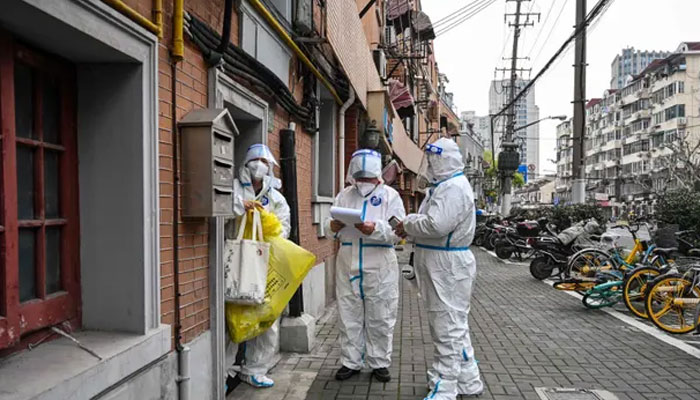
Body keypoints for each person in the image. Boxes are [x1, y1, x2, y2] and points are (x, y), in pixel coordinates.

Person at [394, 138, 484, 400]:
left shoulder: (452, 188)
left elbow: (436, 225)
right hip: (441, 263)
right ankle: (468, 381)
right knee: (455, 325)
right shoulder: (444, 187)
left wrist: (408, 223)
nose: (429, 166)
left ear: (442, 160)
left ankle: (444, 388)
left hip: (446, 266)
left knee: (447, 327)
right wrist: (411, 228)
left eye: (433, 160)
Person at [324, 149, 406, 383]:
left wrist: (375, 229)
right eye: (359, 178)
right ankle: (351, 361)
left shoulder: (390, 196)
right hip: (347, 258)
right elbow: (327, 229)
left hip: (379, 261)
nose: (363, 183)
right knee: (348, 313)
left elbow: (398, 231)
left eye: (368, 178)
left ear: (377, 176)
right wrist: (333, 227)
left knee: (381, 314)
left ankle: (379, 362)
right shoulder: (344, 196)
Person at [226, 144, 290, 392]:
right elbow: (222, 207)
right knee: (234, 316)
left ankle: (255, 370)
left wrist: (266, 221)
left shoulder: (275, 197)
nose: (260, 165)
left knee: (266, 317)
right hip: (235, 260)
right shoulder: (233, 187)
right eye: (256, 160)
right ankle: (224, 371)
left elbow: (284, 228)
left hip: (264, 262)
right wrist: (241, 205)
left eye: (265, 161)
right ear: (246, 163)